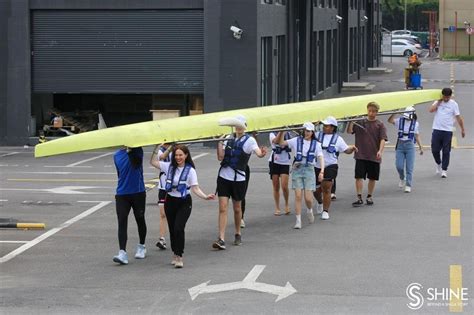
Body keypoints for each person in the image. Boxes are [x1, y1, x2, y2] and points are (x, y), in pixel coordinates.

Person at [151, 144, 215, 268]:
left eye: (181, 155)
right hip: (170, 201)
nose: (178, 157)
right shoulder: (168, 166)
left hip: (184, 202)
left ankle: (179, 256)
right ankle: (175, 252)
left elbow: (195, 188)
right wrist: (156, 148)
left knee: (179, 228)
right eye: (176, 155)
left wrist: (205, 196)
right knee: (172, 229)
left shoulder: (190, 170)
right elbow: (153, 162)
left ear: (186, 155)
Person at [213, 115, 267, 250]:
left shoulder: (250, 140)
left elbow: (258, 153)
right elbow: (220, 157)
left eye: (240, 125)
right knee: (223, 208)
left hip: (239, 179)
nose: (238, 127)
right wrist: (219, 141)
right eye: (236, 125)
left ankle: (237, 232)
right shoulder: (228, 138)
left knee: (237, 208)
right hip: (224, 177)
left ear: (244, 126)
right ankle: (221, 238)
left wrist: (262, 153)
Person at [276, 122, 324, 229]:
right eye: (305, 130)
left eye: (308, 131)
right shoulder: (296, 140)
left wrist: (322, 171)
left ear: (312, 132)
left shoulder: (316, 144)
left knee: (308, 198)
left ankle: (309, 209)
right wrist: (282, 131)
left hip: (309, 170)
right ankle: (298, 220)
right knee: (298, 196)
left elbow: (321, 157)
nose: (306, 133)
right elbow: (281, 143)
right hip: (297, 168)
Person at [313, 117, 357, 220]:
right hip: (316, 165)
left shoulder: (338, 139)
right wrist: (314, 124)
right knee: (315, 189)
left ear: (333, 128)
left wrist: (352, 149)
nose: (324, 127)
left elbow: (346, 150)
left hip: (331, 165)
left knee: (327, 188)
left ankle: (325, 211)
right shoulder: (317, 135)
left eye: (327, 126)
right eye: (323, 125)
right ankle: (320, 201)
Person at [347, 102, 387, 207]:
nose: (371, 113)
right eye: (369, 111)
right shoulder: (360, 122)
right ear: (367, 110)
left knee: (372, 177)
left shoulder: (380, 124)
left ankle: (369, 196)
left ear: (377, 112)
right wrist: (351, 121)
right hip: (360, 154)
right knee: (358, 176)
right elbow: (349, 131)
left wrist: (380, 151)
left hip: (374, 155)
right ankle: (359, 197)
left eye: (374, 111)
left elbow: (383, 139)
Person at [112, 147, 147, 265]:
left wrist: (130, 150)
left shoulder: (138, 150)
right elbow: (119, 173)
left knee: (140, 218)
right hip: (122, 193)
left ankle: (142, 246)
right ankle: (122, 252)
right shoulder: (116, 155)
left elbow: (136, 164)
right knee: (122, 220)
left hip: (138, 192)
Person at [429, 88, 466, 178]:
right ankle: (439, 163)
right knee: (435, 150)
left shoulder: (454, 104)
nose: (446, 99)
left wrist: (462, 129)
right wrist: (438, 103)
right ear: (442, 95)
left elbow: (458, 117)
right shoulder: (438, 102)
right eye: (444, 97)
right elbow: (431, 110)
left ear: (450, 96)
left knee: (446, 151)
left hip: (448, 131)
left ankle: (444, 170)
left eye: (447, 97)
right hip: (437, 129)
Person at [388, 106, 424, 192]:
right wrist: (394, 113)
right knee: (399, 166)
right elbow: (389, 121)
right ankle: (402, 177)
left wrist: (420, 147)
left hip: (410, 146)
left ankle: (408, 184)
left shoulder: (416, 124)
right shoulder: (399, 120)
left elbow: (417, 136)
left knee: (409, 167)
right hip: (400, 145)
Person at [150, 144, 173, 250]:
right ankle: (162, 239)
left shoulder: (178, 149)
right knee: (163, 214)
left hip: (176, 187)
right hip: (163, 186)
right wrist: (170, 148)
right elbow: (161, 157)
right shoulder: (161, 150)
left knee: (174, 215)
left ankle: (175, 236)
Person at [268, 131, 292, 216]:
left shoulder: (289, 133)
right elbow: (276, 141)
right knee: (276, 186)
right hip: (274, 161)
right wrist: (281, 132)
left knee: (284, 186)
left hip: (285, 161)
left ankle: (286, 204)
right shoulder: (272, 134)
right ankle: (277, 207)